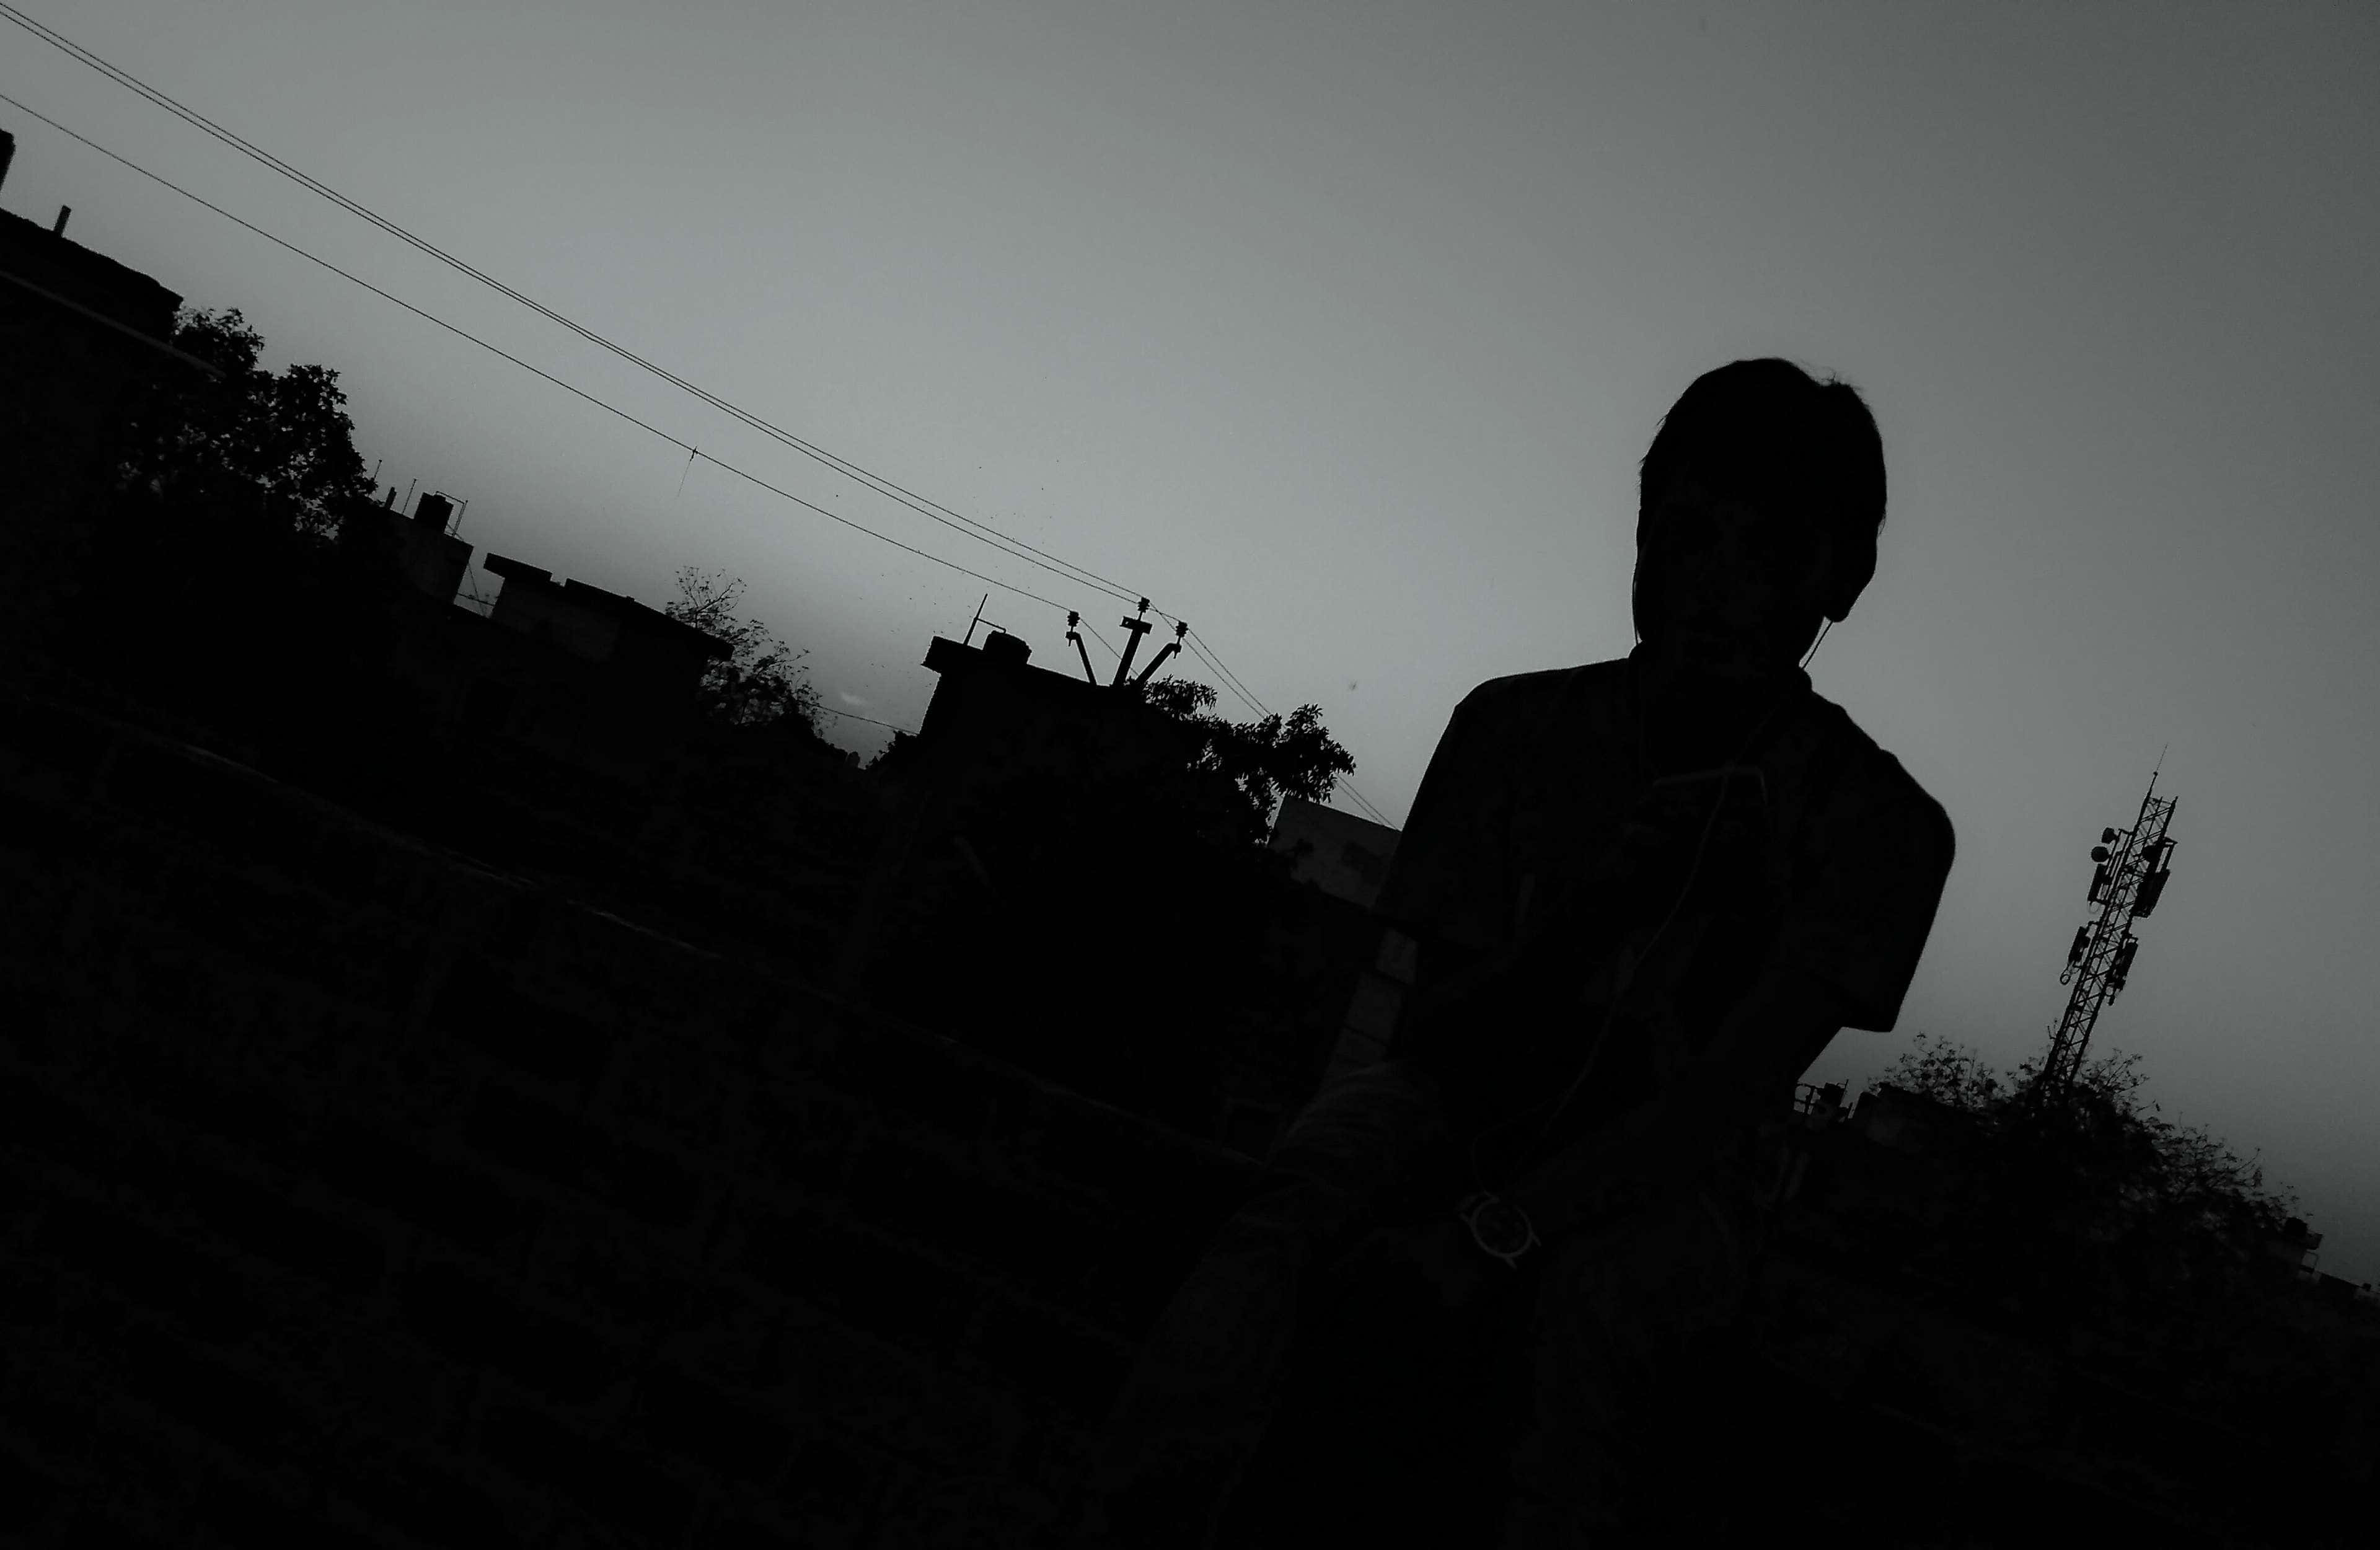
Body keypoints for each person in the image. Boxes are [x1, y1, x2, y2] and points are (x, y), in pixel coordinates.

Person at [1074, 358, 1957, 1546]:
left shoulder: (1880, 825)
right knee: (1292, 1213)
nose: (1717, 588)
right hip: (1452, 1103)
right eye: (1688, 536)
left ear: (1839, 579)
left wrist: (1501, 1231)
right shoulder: (1514, 727)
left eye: (1768, 553)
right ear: (1641, 533)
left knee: (1594, 1326)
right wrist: (1597, 910)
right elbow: (1435, 1036)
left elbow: (1711, 1107)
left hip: (1672, 1187)